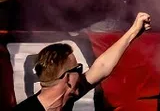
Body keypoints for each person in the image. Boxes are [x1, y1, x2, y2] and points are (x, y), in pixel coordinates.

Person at [16, 11, 152, 111]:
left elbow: (102, 67)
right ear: (67, 78)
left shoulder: (63, 98)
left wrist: (133, 32)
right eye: (78, 69)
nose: (83, 74)